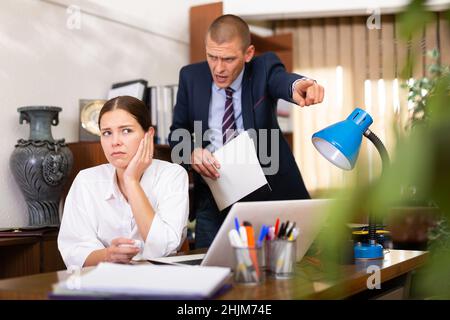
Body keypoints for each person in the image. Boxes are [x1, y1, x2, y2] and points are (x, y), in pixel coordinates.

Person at [169, 14, 324, 249]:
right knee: (209, 269)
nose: (218, 68)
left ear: (248, 54)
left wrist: (297, 85)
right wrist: (191, 152)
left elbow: (282, 81)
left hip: (268, 191)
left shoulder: (263, 67)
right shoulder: (190, 77)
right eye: (212, 57)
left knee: (286, 269)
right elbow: (176, 131)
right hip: (215, 195)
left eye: (229, 59)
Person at [58, 96, 189, 269]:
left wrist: (131, 180)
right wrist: (107, 255)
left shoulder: (172, 176)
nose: (115, 142)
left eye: (126, 131)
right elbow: (74, 252)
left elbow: (163, 248)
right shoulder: (86, 181)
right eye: (107, 133)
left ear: (148, 135)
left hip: (159, 281)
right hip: (102, 283)